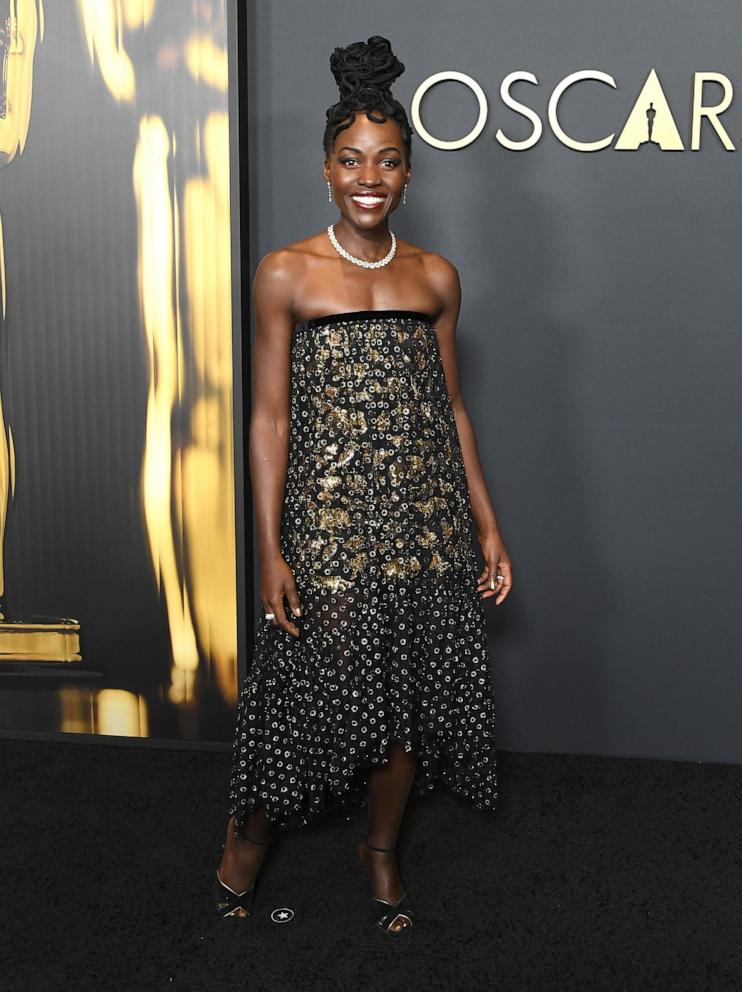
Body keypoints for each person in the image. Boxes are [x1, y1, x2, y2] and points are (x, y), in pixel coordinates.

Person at [212, 35, 512, 936]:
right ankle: (248, 842)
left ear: (410, 175)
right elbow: (267, 420)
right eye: (351, 161)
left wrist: (488, 529)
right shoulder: (285, 273)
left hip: (427, 523)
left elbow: (453, 409)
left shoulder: (436, 278)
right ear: (327, 171)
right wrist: (268, 549)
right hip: (329, 522)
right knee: (310, 692)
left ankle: (378, 851)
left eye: (387, 161)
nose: (368, 177)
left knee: (410, 699)